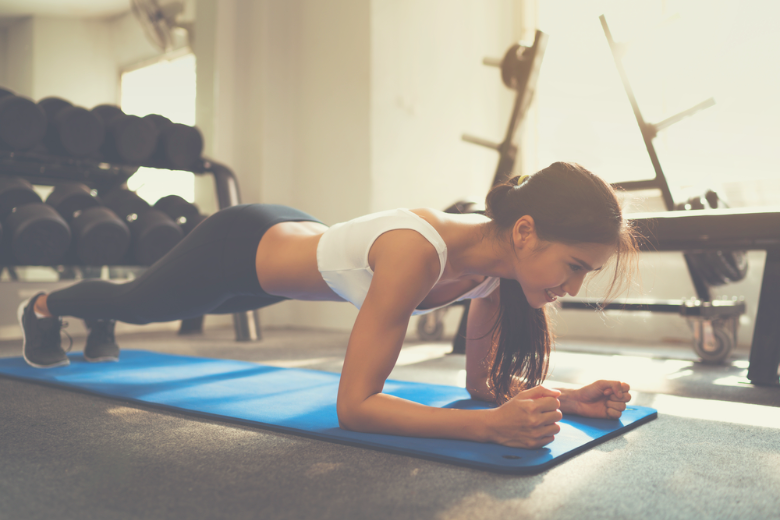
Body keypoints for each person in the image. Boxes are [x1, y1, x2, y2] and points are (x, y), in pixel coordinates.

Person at [18, 161, 635, 449]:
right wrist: (487, 428)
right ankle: (44, 306)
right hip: (242, 248)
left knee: (137, 304)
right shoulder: (417, 255)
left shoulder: (497, 272)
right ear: (525, 230)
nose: (573, 287)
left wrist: (567, 397)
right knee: (139, 303)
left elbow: (480, 381)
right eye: (575, 267)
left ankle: (93, 315)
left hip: (298, 240)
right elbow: (355, 408)